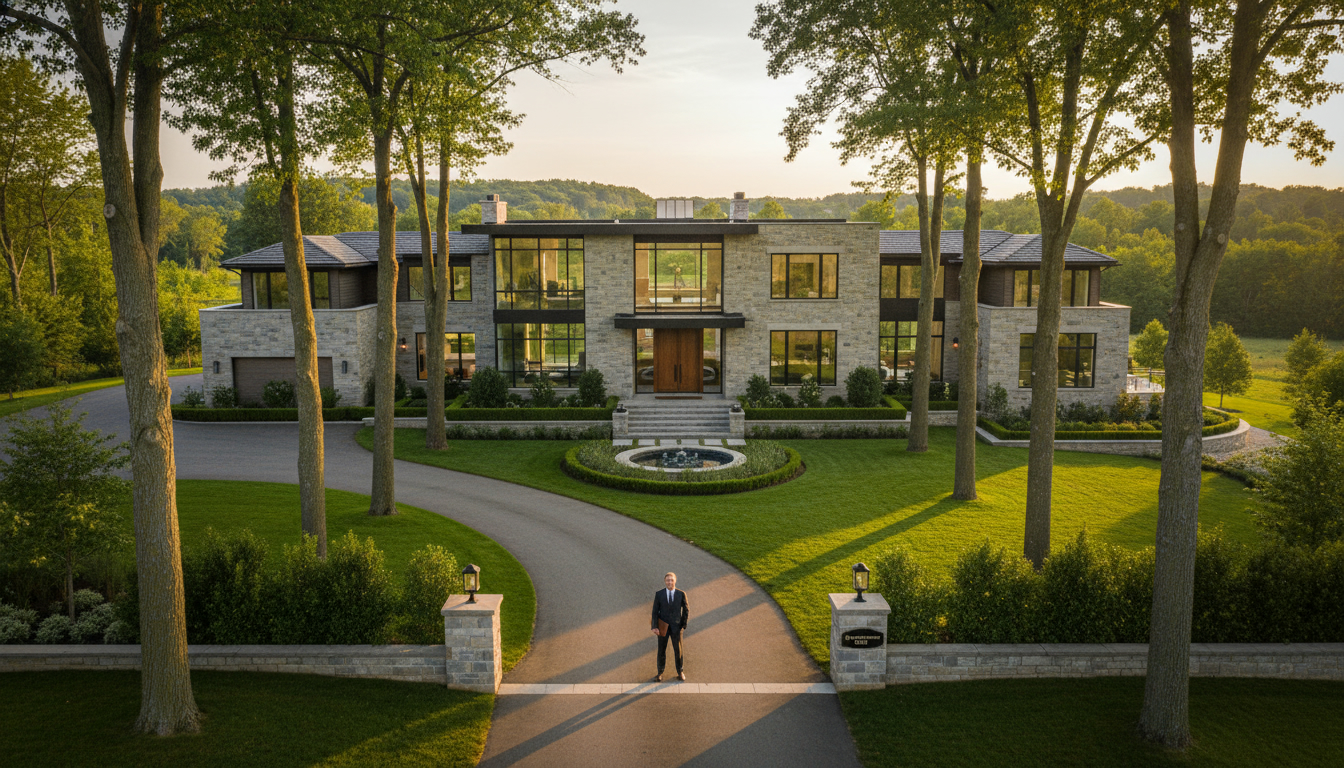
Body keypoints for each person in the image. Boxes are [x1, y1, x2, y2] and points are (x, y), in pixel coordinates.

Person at [650, 571, 689, 682]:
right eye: (668, 580)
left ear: (675, 581)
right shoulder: (659, 594)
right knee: (661, 651)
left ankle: (680, 671)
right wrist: (655, 626)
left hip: (677, 628)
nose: (670, 582)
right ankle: (660, 673)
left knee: (678, 651)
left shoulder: (681, 594)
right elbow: (654, 612)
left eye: (671, 580)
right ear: (665, 581)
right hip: (663, 628)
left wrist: (683, 625)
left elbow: (686, 610)